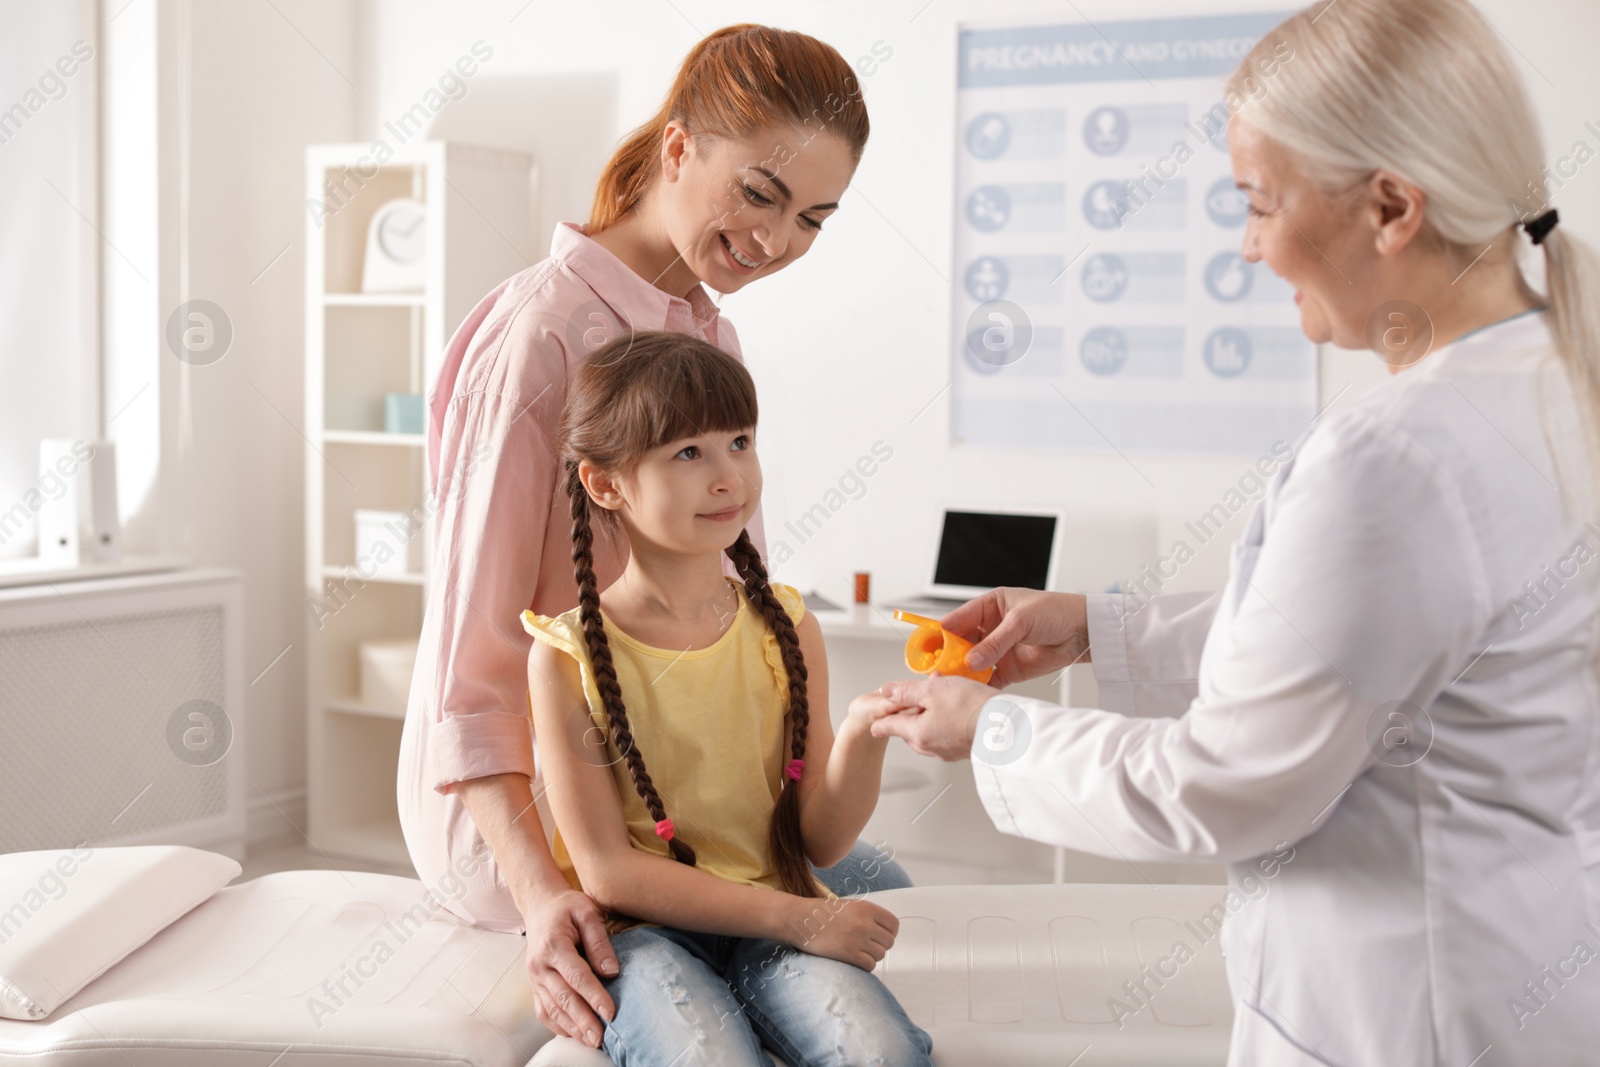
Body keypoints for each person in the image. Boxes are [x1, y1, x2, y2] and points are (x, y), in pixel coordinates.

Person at [868, 0, 1600, 1063]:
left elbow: (1225, 785)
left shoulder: (1397, 457)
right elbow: (1366, 649)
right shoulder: (1555, 385)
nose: (1249, 247)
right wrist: (1091, 629)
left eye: (1258, 203)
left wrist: (988, 730)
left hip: (1404, 1015)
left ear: (1390, 206)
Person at [395, 24, 910, 1052]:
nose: (776, 239)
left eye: (812, 216)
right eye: (759, 193)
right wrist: (543, 896)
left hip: (670, 787)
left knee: (878, 879)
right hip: (551, 816)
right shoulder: (542, 335)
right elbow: (473, 669)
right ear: (677, 150)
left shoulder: (705, 329)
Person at [523, 331, 933, 1066]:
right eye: (688, 453)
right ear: (605, 483)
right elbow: (609, 872)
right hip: (640, 936)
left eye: (739, 441)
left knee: (881, 1055)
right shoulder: (566, 656)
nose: (728, 477)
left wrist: (865, 736)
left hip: (775, 916)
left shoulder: (785, 626)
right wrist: (802, 918)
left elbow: (820, 841)